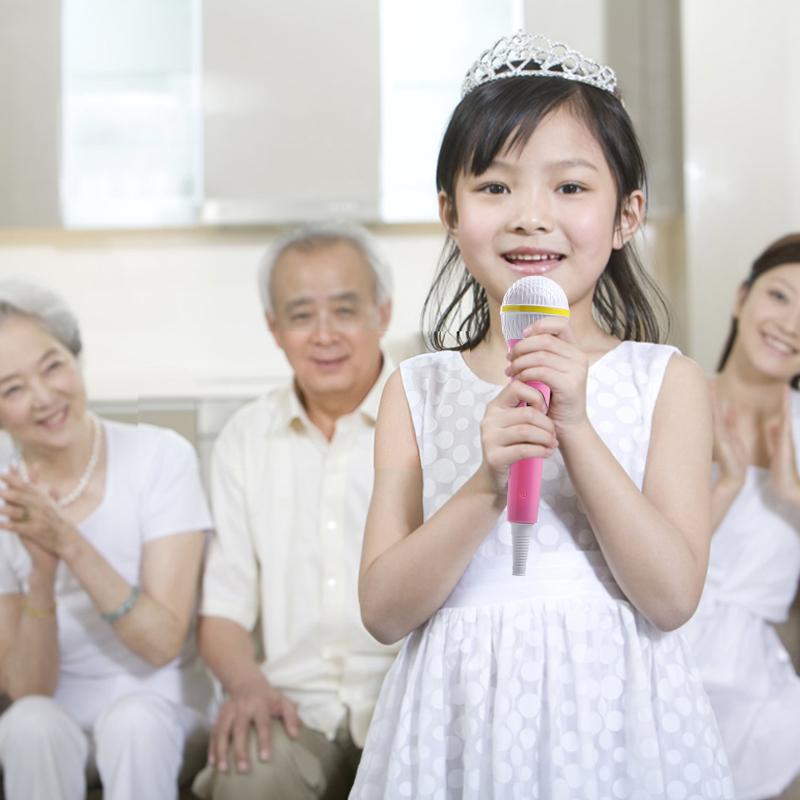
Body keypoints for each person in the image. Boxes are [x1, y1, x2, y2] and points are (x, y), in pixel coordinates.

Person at [349, 31, 734, 799]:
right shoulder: (417, 388)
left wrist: (579, 430)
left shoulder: (668, 382)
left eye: (569, 188)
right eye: (495, 188)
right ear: (450, 214)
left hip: (616, 716)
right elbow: (385, 612)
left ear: (627, 215)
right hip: (459, 718)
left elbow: (670, 597)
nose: (531, 217)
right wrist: (484, 485)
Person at [192, 223, 400, 800]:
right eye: (302, 315)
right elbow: (223, 610)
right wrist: (247, 686)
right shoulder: (245, 437)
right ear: (273, 328)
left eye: (345, 310)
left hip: (408, 702)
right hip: (291, 710)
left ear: (383, 313)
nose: (325, 335)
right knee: (246, 774)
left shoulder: (428, 419)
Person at [0, 281, 213, 800]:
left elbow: (161, 643)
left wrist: (69, 543)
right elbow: (27, 689)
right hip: (62, 709)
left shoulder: (161, 457)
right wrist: (44, 576)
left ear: (75, 358)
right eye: (12, 388)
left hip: (163, 703)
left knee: (134, 722)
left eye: (53, 365)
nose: (45, 397)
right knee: (26, 723)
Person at [682, 234, 800, 800]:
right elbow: (647, 560)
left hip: (763, 700)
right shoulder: (673, 395)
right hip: (662, 660)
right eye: (780, 296)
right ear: (741, 297)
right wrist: (728, 483)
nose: (792, 323)